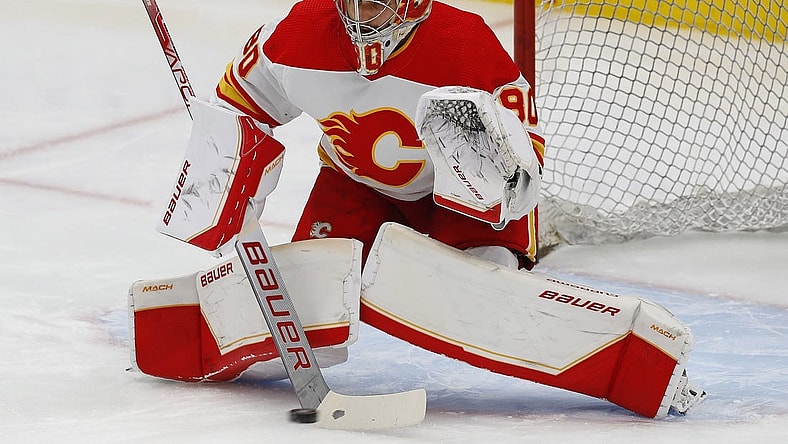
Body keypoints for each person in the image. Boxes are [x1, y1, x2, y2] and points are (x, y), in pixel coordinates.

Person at [211, 0, 545, 269]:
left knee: (487, 298)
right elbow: (235, 108)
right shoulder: (298, 32)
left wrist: (504, 190)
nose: (358, 13)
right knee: (309, 299)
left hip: (464, 196)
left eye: (374, 2)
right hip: (357, 186)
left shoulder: (465, 44)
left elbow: (523, 153)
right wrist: (225, 193)